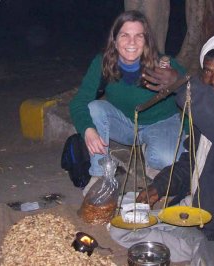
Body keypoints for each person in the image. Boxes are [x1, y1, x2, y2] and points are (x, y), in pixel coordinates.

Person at [110, 33, 214, 266]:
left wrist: (186, 86)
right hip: (196, 214)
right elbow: (192, 163)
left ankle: (206, 251)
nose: (213, 79)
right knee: (123, 228)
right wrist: (158, 187)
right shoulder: (207, 110)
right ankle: (199, 248)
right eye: (207, 71)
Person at [69, 10, 186, 195]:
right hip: (126, 124)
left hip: (161, 123)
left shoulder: (165, 65)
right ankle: (100, 174)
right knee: (94, 108)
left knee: (166, 159)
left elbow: (190, 100)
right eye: (125, 35)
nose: (132, 42)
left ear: (147, 40)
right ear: (114, 41)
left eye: (139, 36)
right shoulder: (103, 63)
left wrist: (188, 137)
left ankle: (152, 152)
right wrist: (87, 130)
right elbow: (79, 102)